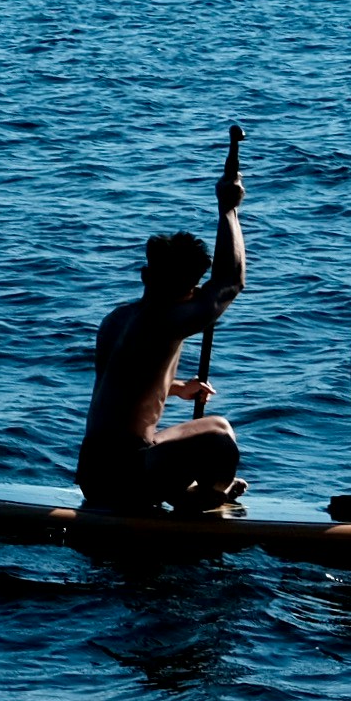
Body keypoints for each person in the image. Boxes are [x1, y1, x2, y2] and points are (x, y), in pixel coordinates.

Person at [76, 160, 247, 513]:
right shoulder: (164, 321)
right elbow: (229, 283)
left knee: (217, 424)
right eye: (194, 288)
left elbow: (121, 385)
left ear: (145, 275)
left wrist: (178, 387)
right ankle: (202, 499)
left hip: (93, 470)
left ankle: (190, 491)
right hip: (119, 481)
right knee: (222, 446)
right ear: (187, 290)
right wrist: (228, 209)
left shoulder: (117, 319)